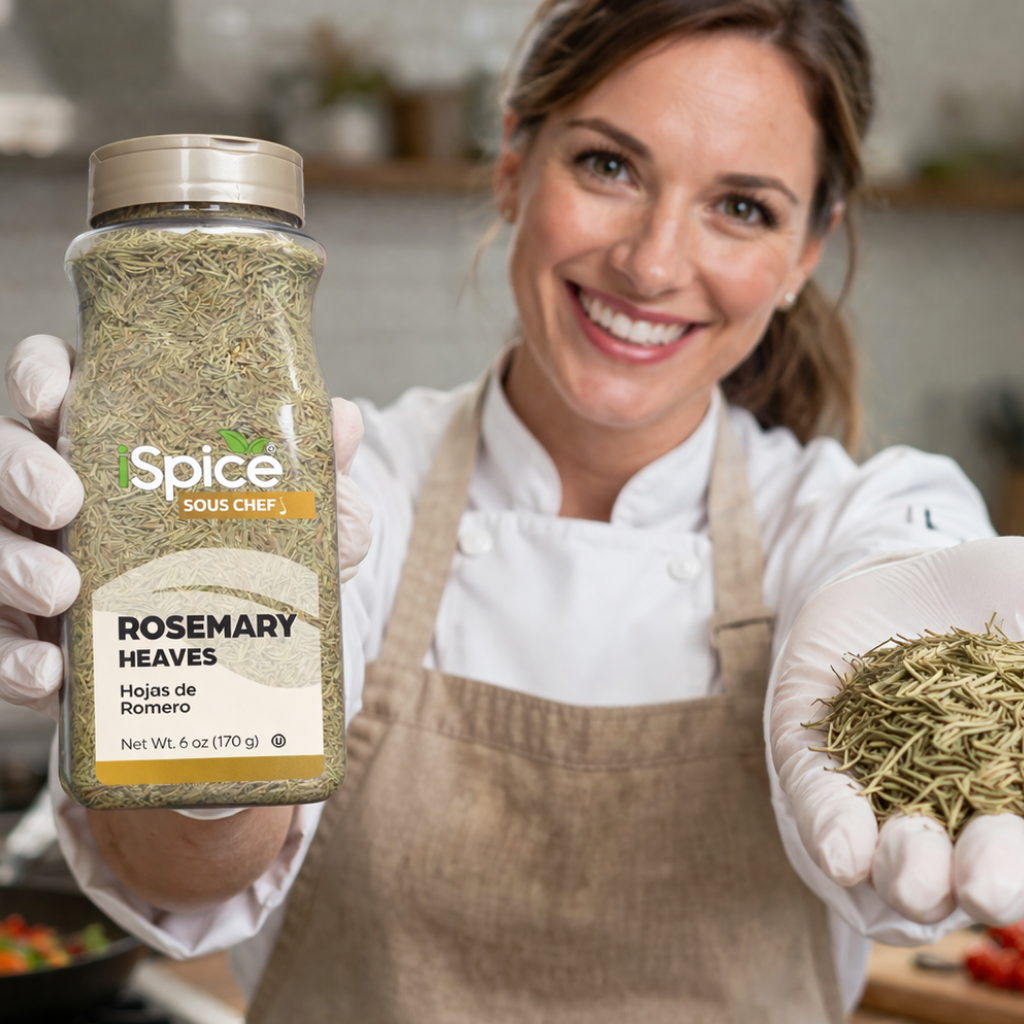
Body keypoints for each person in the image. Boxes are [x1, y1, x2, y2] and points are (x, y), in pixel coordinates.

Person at [2, 0, 1024, 1020]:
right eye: (610, 166)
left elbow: (907, 554)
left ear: (808, 250)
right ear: (511, 167)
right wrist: (193, 732)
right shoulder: (351, 488)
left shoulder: (841, 520)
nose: (654, 262)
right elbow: (183, 873)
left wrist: (911, 628)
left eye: (742, 207)